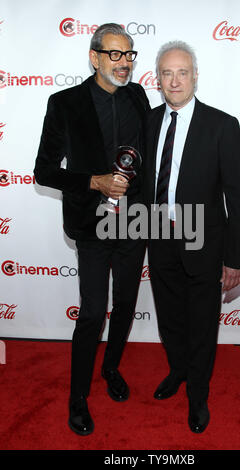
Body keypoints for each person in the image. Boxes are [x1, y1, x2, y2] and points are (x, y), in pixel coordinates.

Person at [34, 23, 150, 436]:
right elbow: (44, 171)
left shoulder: (138, 95)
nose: (124, 63)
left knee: (126, 305)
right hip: (93, 224)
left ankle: (112, 368)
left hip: (136, 220)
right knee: (93, 312)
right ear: (94, 56)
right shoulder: (65, 103)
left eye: (129, 54)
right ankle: (78, 396)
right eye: (115, 54)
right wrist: (93, 181)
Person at [143, 41, 240, 433]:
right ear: (158, 79)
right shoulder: (149, 121)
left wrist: (235, 259)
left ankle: (198, 394)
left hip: (205, 243)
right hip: (158, 237)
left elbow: (238, 199)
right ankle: (178, 372)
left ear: (195, 76)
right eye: (167, 73)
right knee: (170, 318)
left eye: (182, 72)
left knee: (203, 323)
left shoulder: (222, 125)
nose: (175, 80)